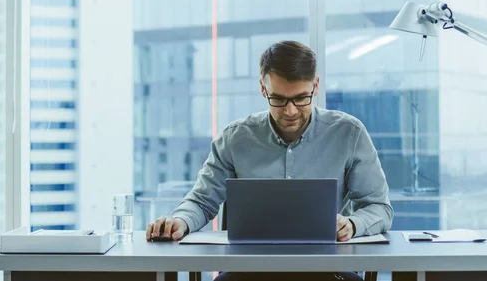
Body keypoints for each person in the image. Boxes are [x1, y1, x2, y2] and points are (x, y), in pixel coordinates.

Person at [145, 40, 393, 281]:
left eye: (301, 98)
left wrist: (353, 223)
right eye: (278, 99)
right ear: (263, 89)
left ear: (315, 87)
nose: (290, 111)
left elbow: (379, 208)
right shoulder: (236, 138)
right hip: (247, 272)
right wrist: (180, 221)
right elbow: (202, 201)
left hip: (327, 270)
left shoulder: (348, 133)